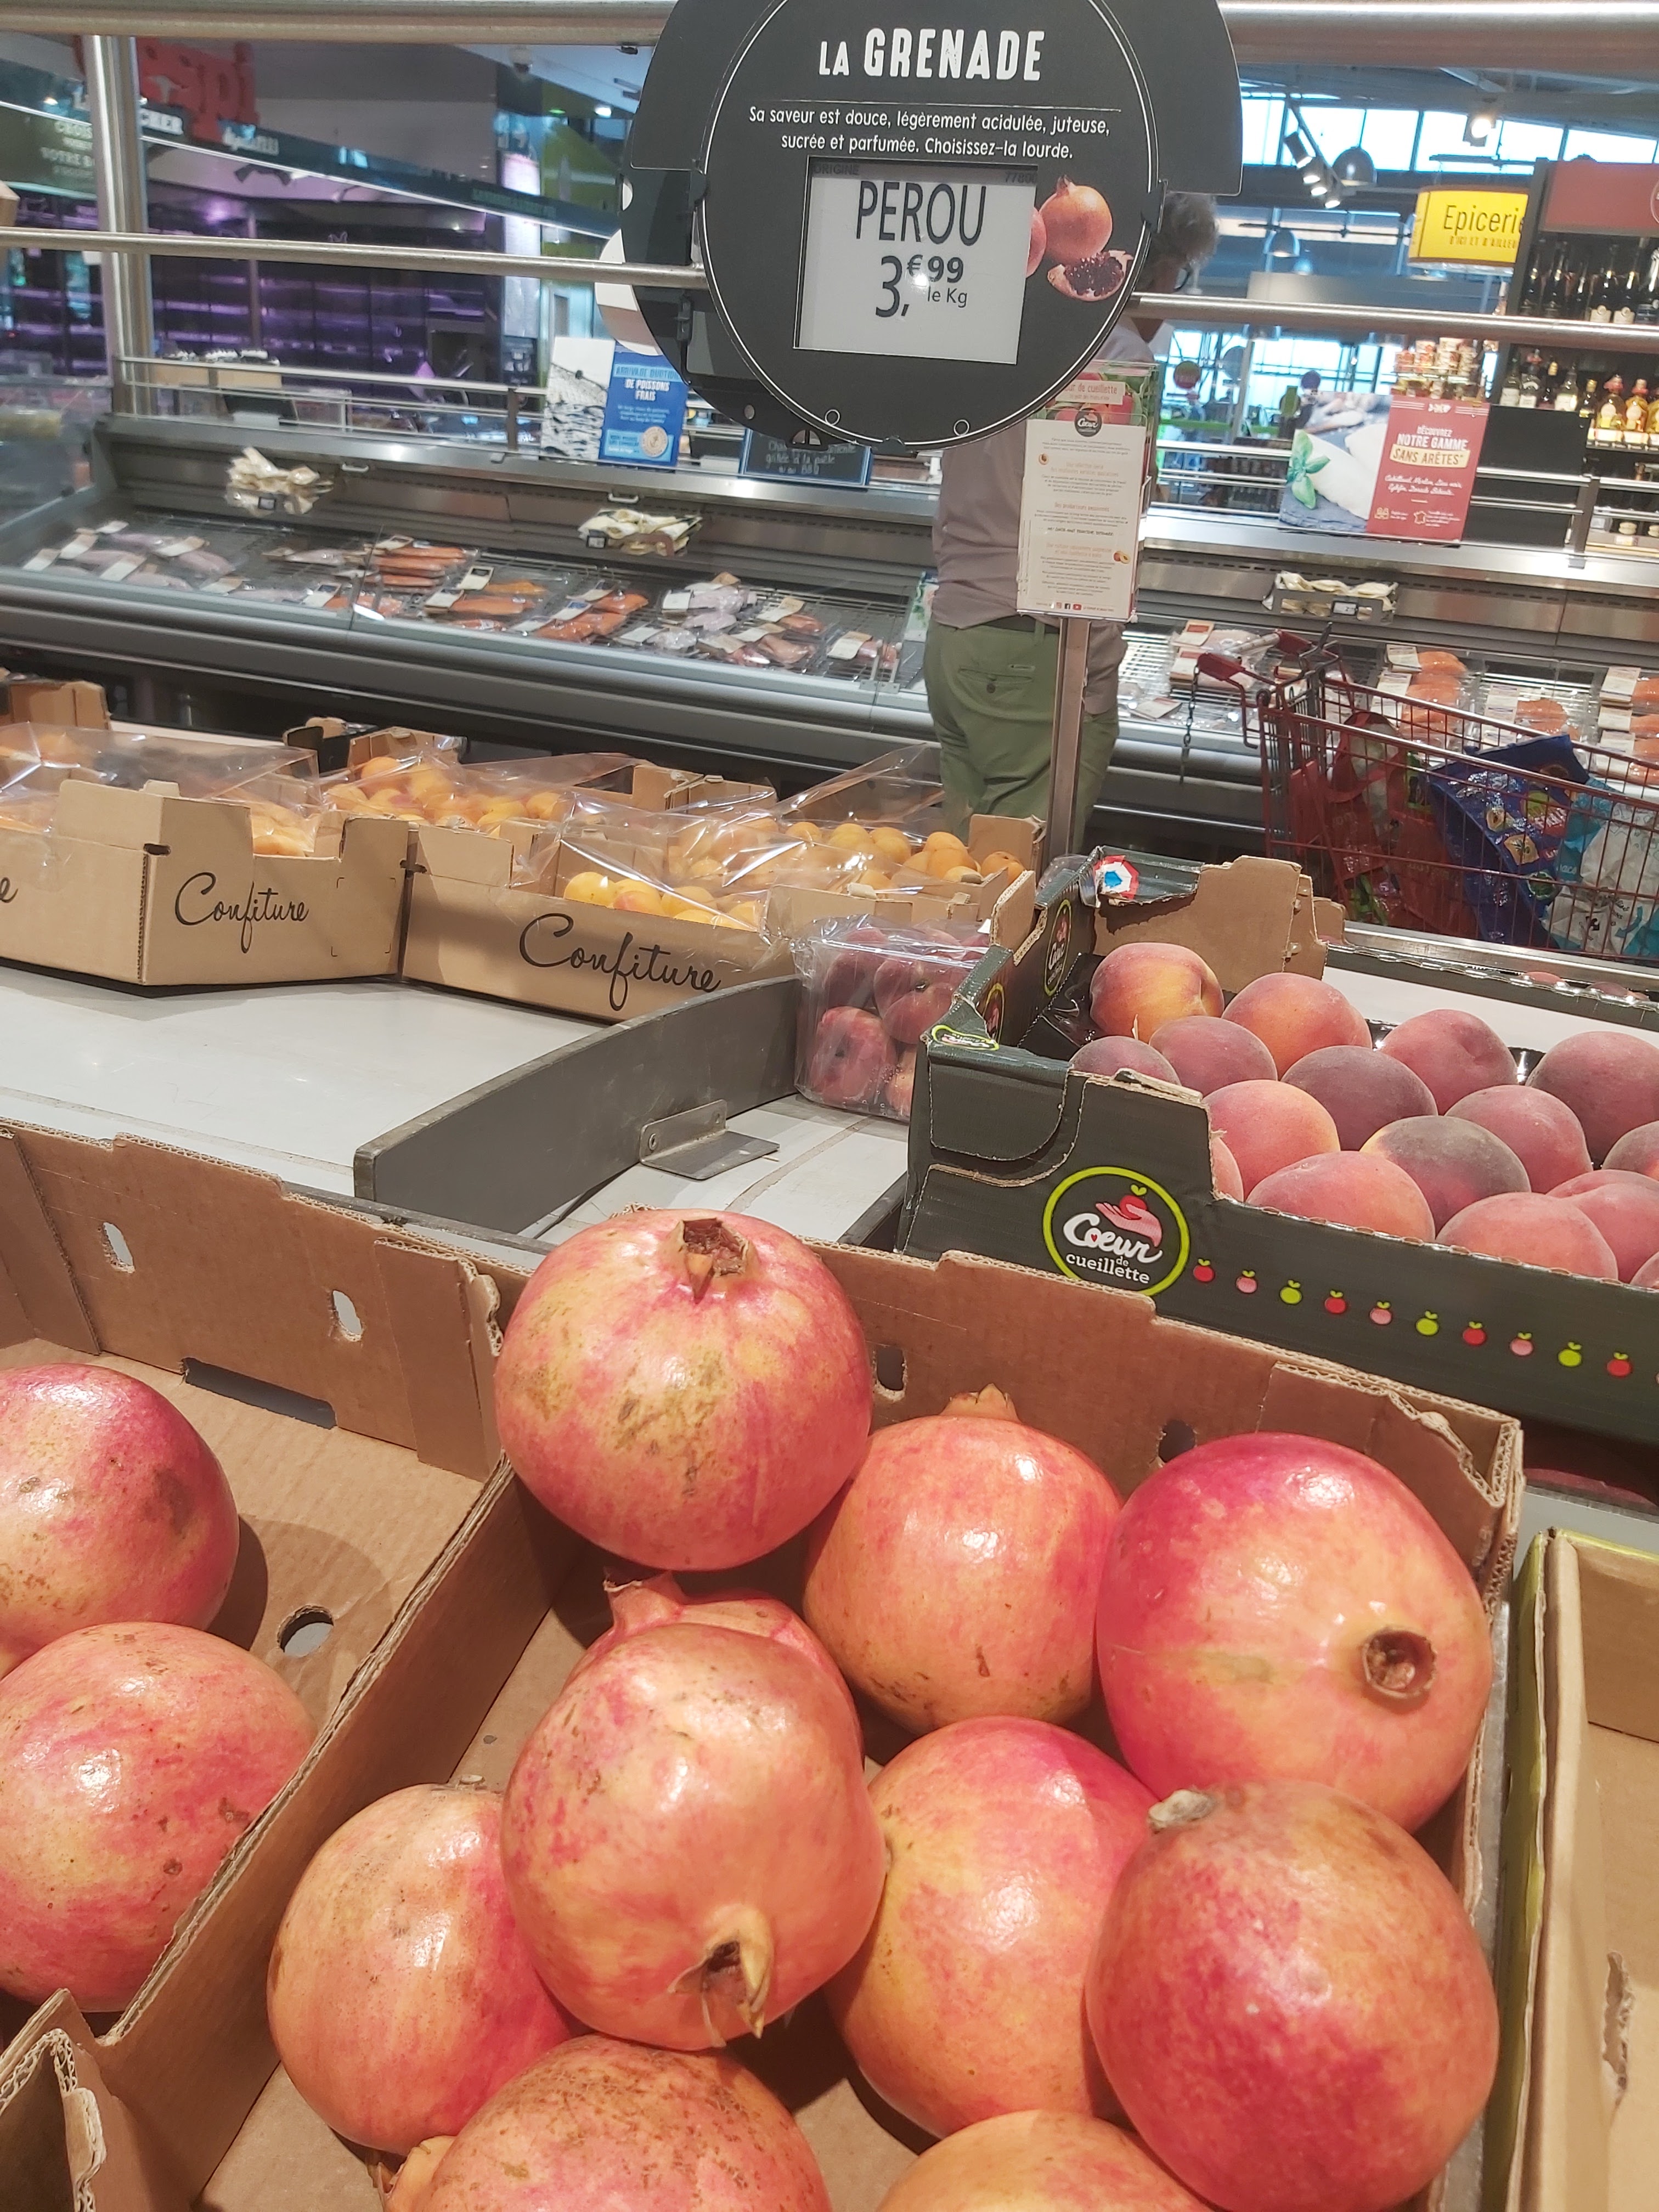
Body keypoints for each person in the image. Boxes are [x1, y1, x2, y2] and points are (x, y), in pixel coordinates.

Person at [924, 191, 1218, 847]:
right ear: (1157, 269)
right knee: (1018, 876)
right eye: (1179, 278)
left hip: (956, 636)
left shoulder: (994, 330)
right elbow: (1097, 519)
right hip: (1035, 649)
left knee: (961, 868)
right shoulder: (1117, 358)